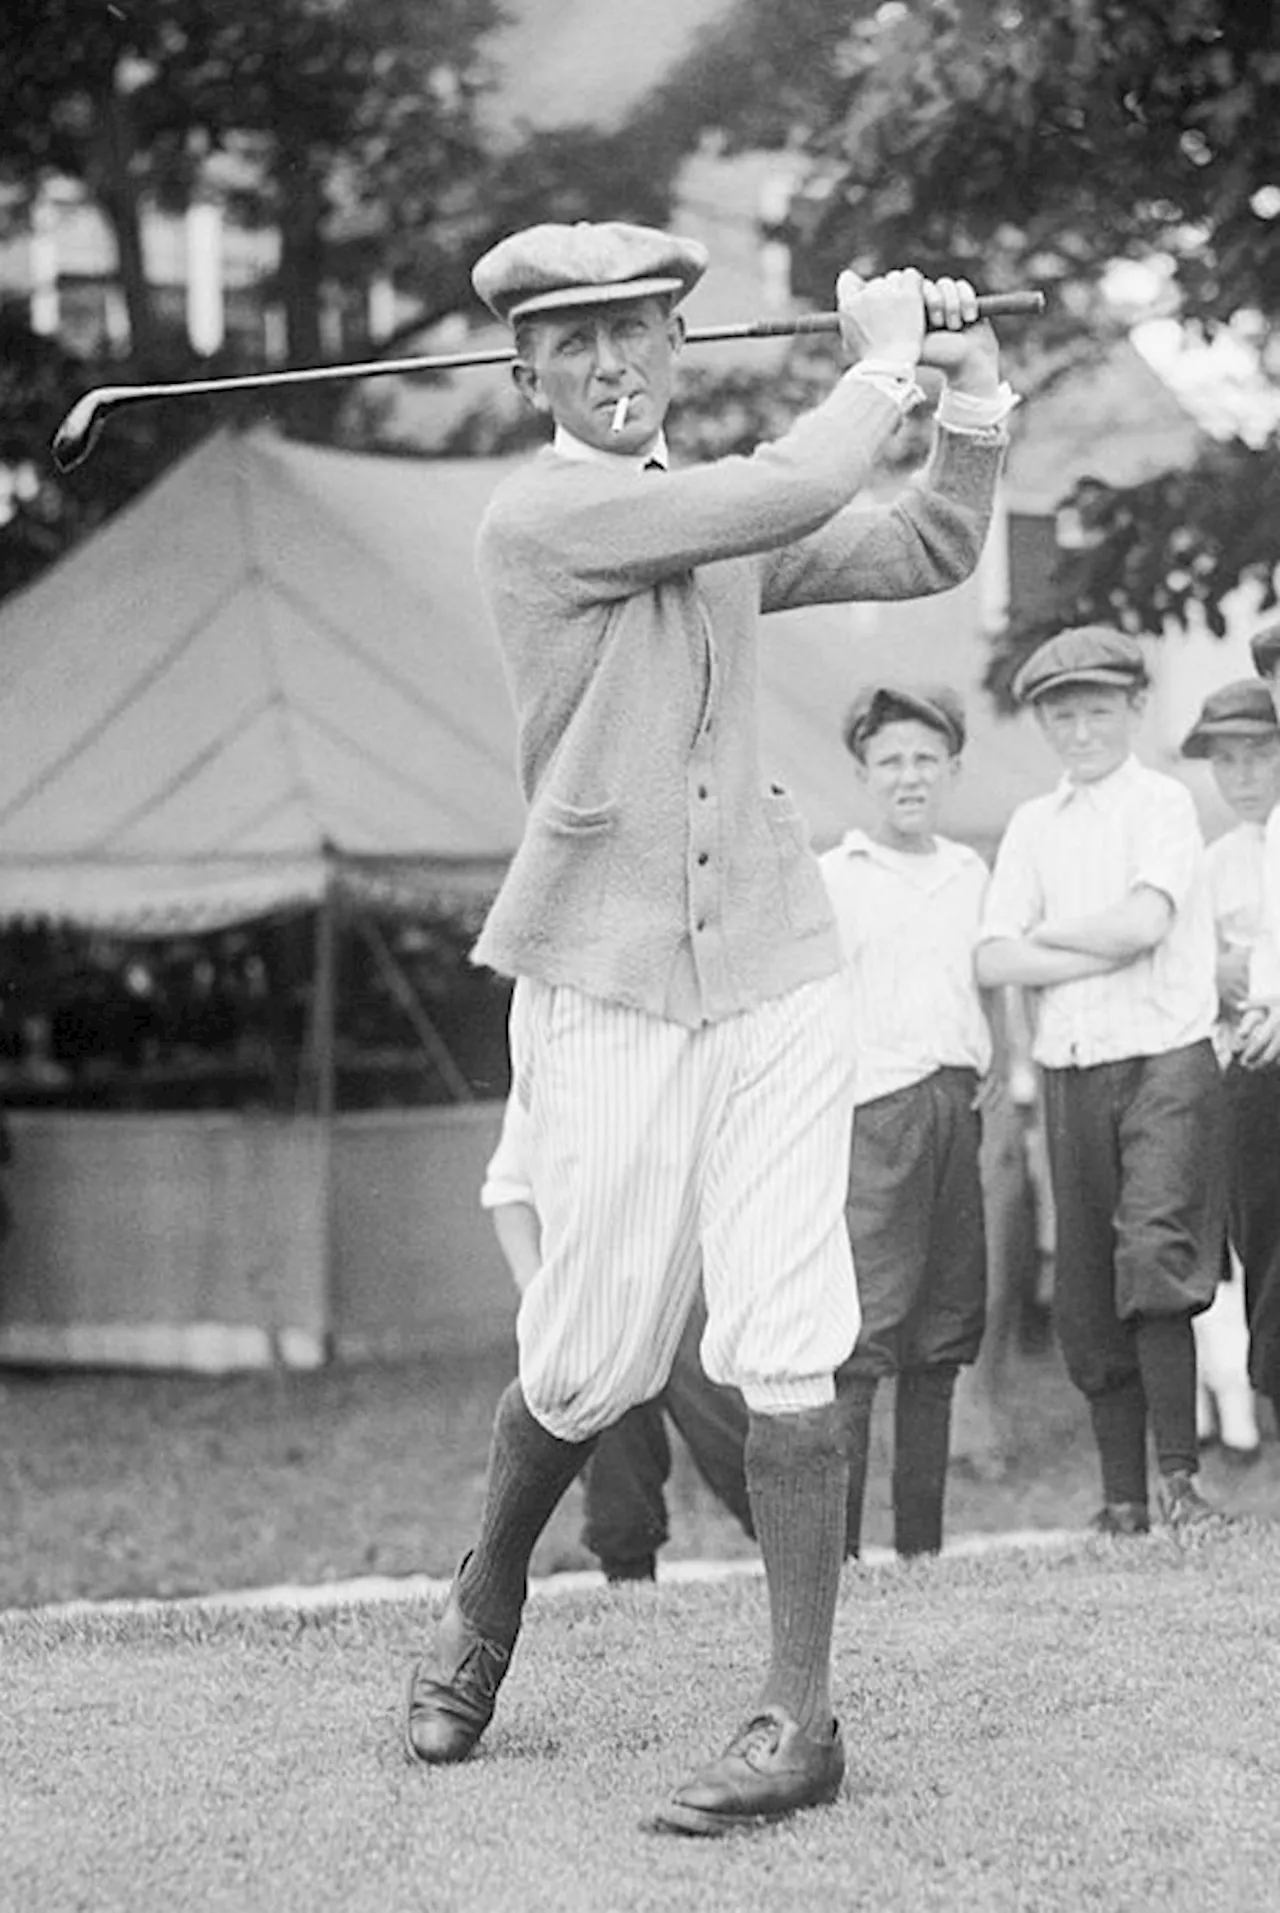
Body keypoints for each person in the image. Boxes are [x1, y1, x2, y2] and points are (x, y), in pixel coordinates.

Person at [401, 217, 1013, 1835]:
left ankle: (798, 1721)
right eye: (577, 341)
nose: (612, 363)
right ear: (525, 367)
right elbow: (786, 489)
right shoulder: (539, 516)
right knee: (594, 1352)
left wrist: (971, 393)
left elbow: (929, 542)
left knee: (791, 1324)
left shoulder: (727, 504)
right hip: (601, 975)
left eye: (640, 333)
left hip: (773, 956)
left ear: (679, 345)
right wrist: (877, 359)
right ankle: (493, 1587)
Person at [975, 625, 1228, 1535]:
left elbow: (1146, 924)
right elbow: (996, 954)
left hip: (1164, 1058)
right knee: (1084, 1283)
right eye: (1063, 714)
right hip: (1071, 1071)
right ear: (1044, 722)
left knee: (1154, 1254)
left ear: (1133, 708)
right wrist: (1091, 932)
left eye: (1097, 710)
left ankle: (1181, 1484)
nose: (1081, 730)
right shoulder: (1031, 825)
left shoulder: (1162, 805)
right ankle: (1122, 1498)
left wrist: (1053, 938)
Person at [818, 682, 991, 1560]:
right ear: (863, 774)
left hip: (958, 1107)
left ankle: (921, 1550)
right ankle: (840, 1555)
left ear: (953, 769)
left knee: (944, 1328)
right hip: (872, 1118)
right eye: (891, 760)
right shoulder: (834, 876)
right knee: (862, 1337)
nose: (909, 775)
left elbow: (990, 985)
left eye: (927, 758)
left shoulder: (971, 874)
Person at [480, 1084, 754, 1579]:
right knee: (613, 1461)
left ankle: (815, 1558)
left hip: (688, 1287)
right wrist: (539, 1288)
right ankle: (629, 1583)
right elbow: (508, 1191)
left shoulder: (684, 1059)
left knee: (739, 1438)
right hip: (595, 1296)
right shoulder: (553, 1073)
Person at [1180, 678, 1280, 1458]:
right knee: (1256, 1248)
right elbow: (1198, 968)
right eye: (1228, 761)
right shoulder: (1214, 863)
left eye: (1261, 756)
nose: (1244, 776)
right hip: (1248, 1070)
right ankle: (1258, 1423)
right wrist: (1229, 969)